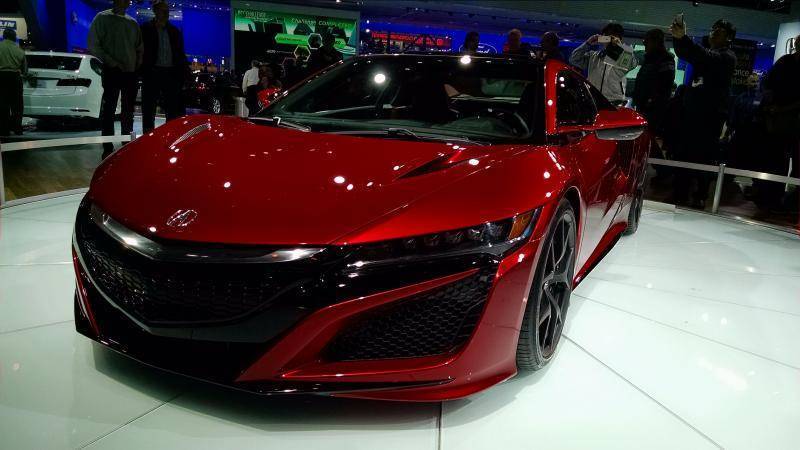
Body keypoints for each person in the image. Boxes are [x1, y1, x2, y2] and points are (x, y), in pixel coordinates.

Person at [669, 18, 737, 208]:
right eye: (713, 28)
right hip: (691, 113)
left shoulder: (727, 57)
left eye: (719, 30)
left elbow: (706, 57)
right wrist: (678, 39)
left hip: (710, 117)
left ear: (729, 37)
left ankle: (700, 194)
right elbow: (686, 53)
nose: (714, 31)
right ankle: (681, 192)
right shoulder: (707, 53)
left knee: (703, 156)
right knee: (684, 153)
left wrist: (683, 38)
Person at [88, 0, 143, 158]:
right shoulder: (102, 18)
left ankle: (126, 145)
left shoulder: (132, 23)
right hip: (112, 71)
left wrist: (136, 65)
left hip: (129, 73)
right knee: (109, 110)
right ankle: (107, 146)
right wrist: (111, 62)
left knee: (127, 111)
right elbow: (93, 44)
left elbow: (139, 47)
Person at [140, 1, 187, 133]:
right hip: (152, 73)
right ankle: (148, 138)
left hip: (171, 74)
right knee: (149, 109)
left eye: (167, 10)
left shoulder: (175, 31)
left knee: (172, 110)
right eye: (163, 10)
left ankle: (169, 136)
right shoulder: (145, 29)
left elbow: (180, 54)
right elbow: (140, 51)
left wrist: (181, 75)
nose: (166, 13)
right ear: (155, 11)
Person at [569, 23, 637, 105]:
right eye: (606, 37)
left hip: (614, 101)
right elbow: (574, 59)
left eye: (612, 37)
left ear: (619, 39)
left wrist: (619, 48)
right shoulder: (593, 56)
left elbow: (633, 64)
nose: (609, 40)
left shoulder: (624, 56)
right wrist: (587, 43)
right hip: (593, 100)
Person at [632, 29, 675, 135]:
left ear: (656, 41)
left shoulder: (666, 59)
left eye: (646, 41)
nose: (644, 43)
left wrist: (650, 102)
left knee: (648, 135)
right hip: (643, 106)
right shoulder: (649, 58)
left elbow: (665, 84)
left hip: (653, 110)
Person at [0, 28, 26, 137]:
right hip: (15, 78)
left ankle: (4, 129)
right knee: (17, 105)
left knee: (2, 104)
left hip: (1, 77)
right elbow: (24, 70)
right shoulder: (20, 51)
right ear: (14, 37)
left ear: (4, 36)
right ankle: (17, 128)